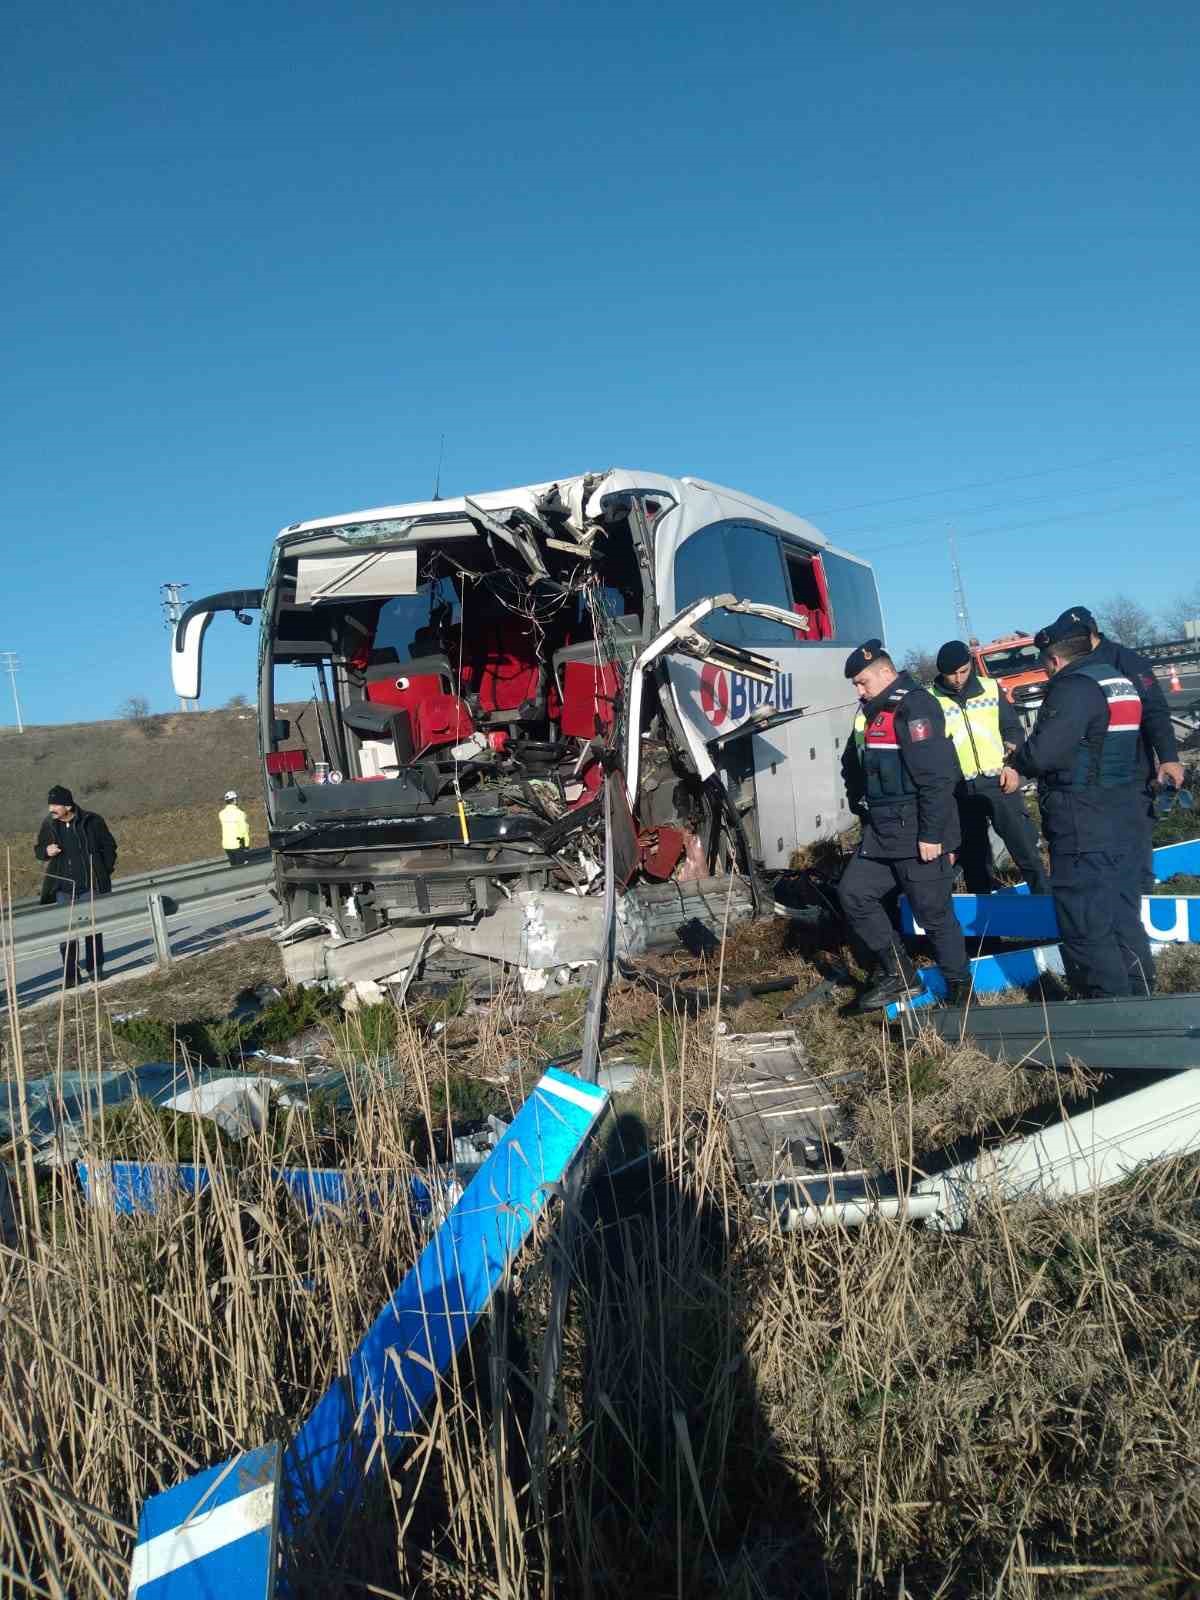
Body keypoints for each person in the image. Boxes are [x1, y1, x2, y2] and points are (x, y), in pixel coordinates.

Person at [999, 621, 1155, 997]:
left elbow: (1046, 750)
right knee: (1122, 914)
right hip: (1124, 815)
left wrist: (1017, 763)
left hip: (1082, 822)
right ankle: (1141, 995)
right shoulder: (1117, 681)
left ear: (1054, 659)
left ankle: (1109, 1008)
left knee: (1084, 921)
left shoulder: (1072, 688)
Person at [838, 639, 971, 1010]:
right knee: (853, 893)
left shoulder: (916, 707)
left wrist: (932, 835)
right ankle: (900, 973)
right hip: (882, 832)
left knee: (934, 915)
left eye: (862, 682)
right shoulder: (873, 711)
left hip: (917, 831)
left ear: (885, 672)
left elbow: (936, 780)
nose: (858, 690)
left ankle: (961, 991)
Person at [1035, 606, 1184, 892]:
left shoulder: (1124, 660)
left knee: (1133, 835)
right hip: (1086, 775)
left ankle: (1138, 898)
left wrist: (1168, 757)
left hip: (1130, 765)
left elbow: (1154, 710)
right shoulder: (1072, 668)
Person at [930, 639, 1050, 895]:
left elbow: (1013, 729)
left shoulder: (990, 688)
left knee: (1025, 849)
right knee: (975, 860)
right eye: (951, 674)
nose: (958, 678)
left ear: (970, 665)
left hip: (999, 782)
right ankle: (987, 929)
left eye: (963, 671)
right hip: (959, 790)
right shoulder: (931, 700)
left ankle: (1047, 909)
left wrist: (1013, 764)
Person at [33, 785, 117, 987]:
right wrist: (46, 851)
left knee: (92, 929)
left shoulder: (92, 821)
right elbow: (38, 850)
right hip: (62, 888)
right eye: (50, 805)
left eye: (55, 805)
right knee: (67, 933)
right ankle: (71, 976)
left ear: (68, 806)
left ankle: (95, 969)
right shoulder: (49, 825)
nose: (51, 809)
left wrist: (103, 871)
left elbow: (109, 847)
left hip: (89, 885)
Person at [219, 790, 251, 866]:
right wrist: (246, 845)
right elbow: (244, 831)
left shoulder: (221, 814)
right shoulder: (240, 813)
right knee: (241, 867)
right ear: (234, 800)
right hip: (237, 845)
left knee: (233, 867)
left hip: (226, 845)